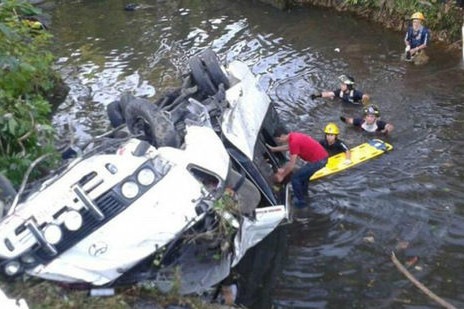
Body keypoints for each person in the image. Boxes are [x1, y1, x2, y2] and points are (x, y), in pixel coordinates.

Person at [268, 130, 328, 208]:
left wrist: (282, 175)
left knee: (295, 178)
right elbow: (289, 147)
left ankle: (301, 203)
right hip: (322, 158)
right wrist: (274, 149)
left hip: (318, 161)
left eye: (279, 139)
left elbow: (292, 164)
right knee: (304, 178)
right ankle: (304, 195)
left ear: (283, 136)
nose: (280, 141)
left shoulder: (294, 141)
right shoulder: (293, 136)